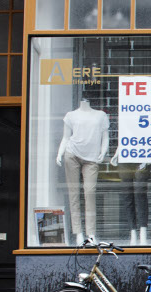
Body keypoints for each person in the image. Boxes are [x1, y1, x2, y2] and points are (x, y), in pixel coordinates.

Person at [56, 96, 109, 244]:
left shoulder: (100, 115)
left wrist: (103, 152)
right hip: (72, 153)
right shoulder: (71, 115)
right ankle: (78, 232)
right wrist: (60, 153)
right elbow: (66, 137)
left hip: (92, 158)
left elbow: (105, 137)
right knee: (74, 194)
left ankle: (91, 233)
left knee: (90, 193)